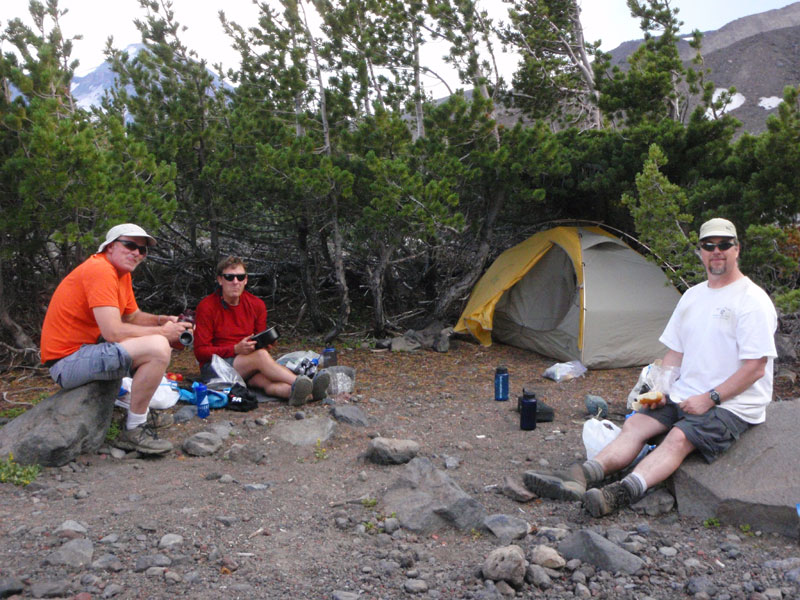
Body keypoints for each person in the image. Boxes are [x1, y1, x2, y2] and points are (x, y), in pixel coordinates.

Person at [524, 218, 777, 517]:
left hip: (732, 403)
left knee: (679, 437)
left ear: (737, 249)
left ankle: (620, 493)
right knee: (635, 424)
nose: (716, 251)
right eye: (709, 246)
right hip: (686, 392)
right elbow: (674, 353)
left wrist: (710, 398)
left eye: (724, 245)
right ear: (700, 252)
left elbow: (755, 369)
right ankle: (581, 475)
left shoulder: (752, 300)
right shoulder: (694, 297)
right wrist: (660, 389)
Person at [40, 223, 193, 455]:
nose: (137, 253)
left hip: (84, 353)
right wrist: (163, 334)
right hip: (67, 362)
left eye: (142, 250)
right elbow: (113, 332)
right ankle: (134, 429)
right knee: (158, 347)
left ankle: (136, 414)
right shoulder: (100, 269)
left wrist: (164, 320)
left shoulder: (120, 274)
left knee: (158, 343)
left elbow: (132, 316)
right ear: (110, 247)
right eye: (130, 245)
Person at [193, 256, 329, 406]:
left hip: (248, 364)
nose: (235, 282)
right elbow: (201, 353)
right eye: (229, 277)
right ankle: (305, 382)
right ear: (220, 280)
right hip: (216, 367)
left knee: (267, 382)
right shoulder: (207, 307)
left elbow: (259, 340)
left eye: (240, 277)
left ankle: (303, 394)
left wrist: (265, 343)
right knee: (260, 356)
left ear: (246, 280)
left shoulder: (256, 305)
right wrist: (235, 349)